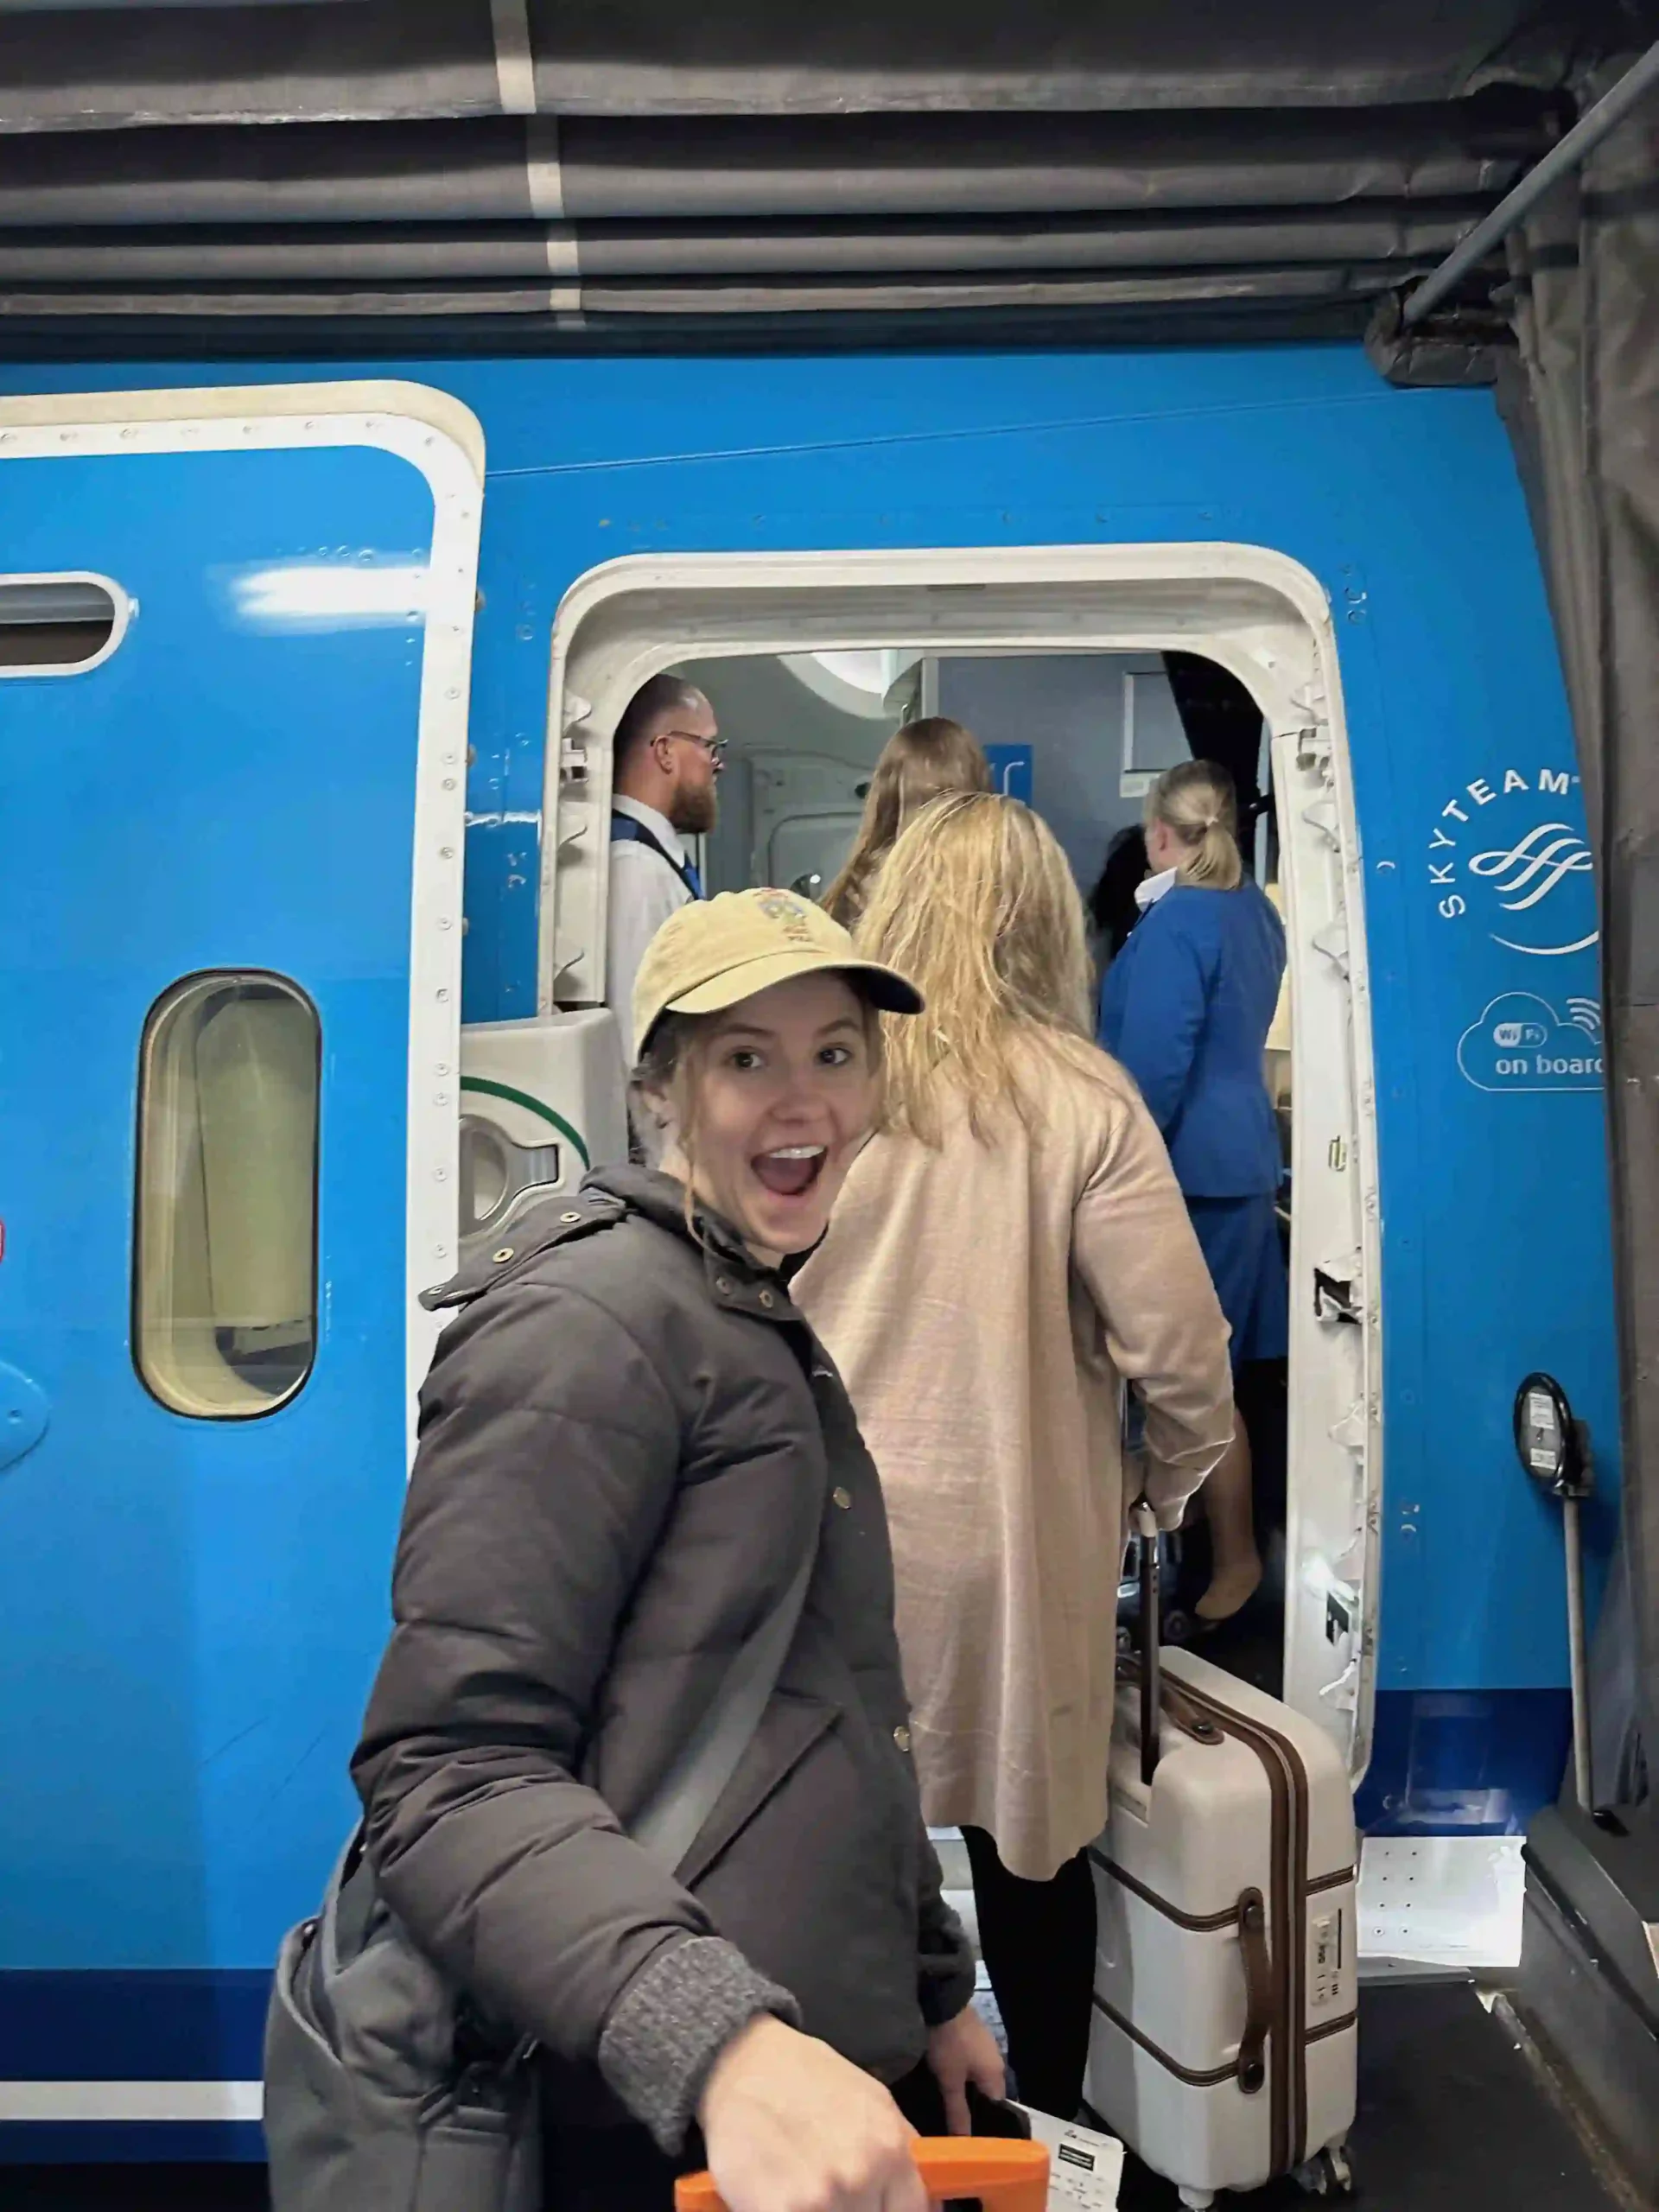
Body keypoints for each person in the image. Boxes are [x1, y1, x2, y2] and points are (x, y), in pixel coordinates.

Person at [353, 886, 1006, 2212]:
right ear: (661, 1094)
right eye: (745, 1060)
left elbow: (822, 1703)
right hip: (666, 2111)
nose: (802, 1103)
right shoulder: (592, 1331)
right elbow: (448, 1774)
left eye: (835, 1053)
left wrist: (926, 1991)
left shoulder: (741, 1311)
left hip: (813, 2079)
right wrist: (715, 2042)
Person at [795, 792, 1235, 2122]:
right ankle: (1041, 2126)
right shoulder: (1082, 1102)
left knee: (836, 1845)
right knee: (1030, 1857)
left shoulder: (824, 1079)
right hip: (1015, 1548)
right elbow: (1185, 1358)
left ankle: (861, 2134)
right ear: (1050, 924)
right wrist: (1157, 1487)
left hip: (827, 1540)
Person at [1096, 760, 1288, 1626]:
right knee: (1226, 1376)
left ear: (1159, 833)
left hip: (1181, 1173)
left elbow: (1153, 1072)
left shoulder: (1176, 925)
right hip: (1240, 1164)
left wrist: (1107, 1164)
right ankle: (1226, 1553)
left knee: (1192, 1380)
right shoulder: (1257, 915)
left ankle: (1232, 1565)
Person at [606, 672, 722, 1038]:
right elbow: (634, 1033)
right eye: (709, 746)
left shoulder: (654, 859)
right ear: (665, 751)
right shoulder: (637, 869)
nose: (718, 763)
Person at [821, 716, 990, 928]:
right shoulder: (996, 889)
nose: (935, 821)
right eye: (923, 803)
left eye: (948, 804)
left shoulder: (855, 891)